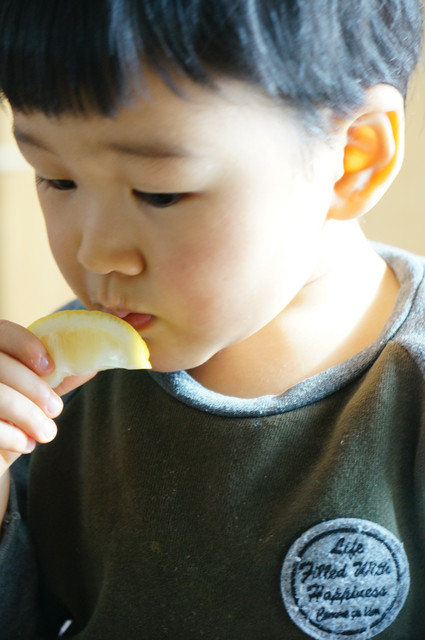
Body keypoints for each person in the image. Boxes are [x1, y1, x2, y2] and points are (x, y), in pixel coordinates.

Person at [0, 0, 424, 637]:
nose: (95, 252)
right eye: (57, 179)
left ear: (353, 158)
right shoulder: (53, 393)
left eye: (160, 192)